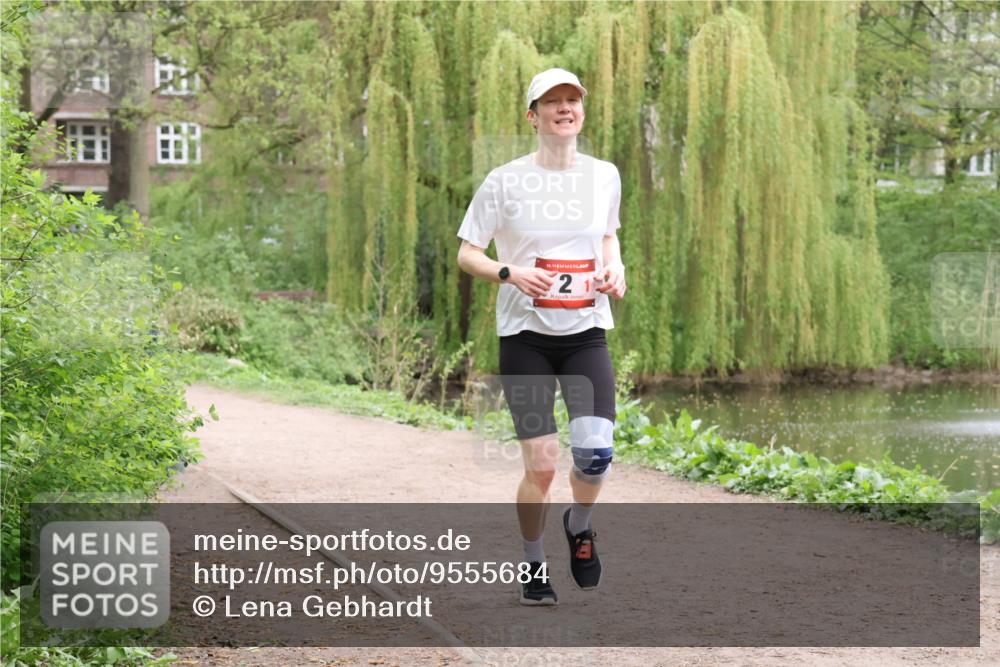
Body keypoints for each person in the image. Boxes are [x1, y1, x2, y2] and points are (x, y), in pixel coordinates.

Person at [456, 68, 626, 606]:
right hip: (525, 337)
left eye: (572, 99)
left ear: (582, 112)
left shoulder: (604, 175)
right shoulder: (504, 180)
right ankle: (533, 566)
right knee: (544, 464)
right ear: (533, 116)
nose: (564, 107)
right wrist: (510, 273)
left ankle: (579, 524)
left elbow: (607, 238)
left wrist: (615, 270)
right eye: (551, 101)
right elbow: (467, 254)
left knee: (596, 454)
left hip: (586, 333)